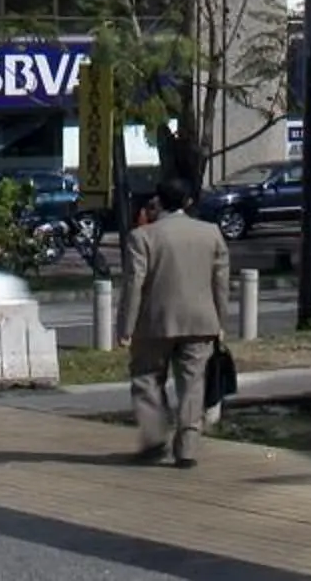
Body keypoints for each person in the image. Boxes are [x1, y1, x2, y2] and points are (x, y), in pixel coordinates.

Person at [115, 175, 231, 470]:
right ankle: (187, 448)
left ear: (158, 200)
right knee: (193, 384)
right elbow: (221, 283)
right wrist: (221, 321)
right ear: (188, 202)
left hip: (154, 323)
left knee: (146, 378)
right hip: (201, 323)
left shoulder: (143, 237)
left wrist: (125, 327)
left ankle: (154, 438)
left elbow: (134, 285)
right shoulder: (211, 233)